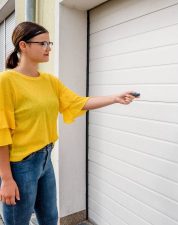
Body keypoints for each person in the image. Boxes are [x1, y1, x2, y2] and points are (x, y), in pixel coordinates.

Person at [0, 21, 138, 225]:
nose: (48, 48)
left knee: (50, 219)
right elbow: (2, 131)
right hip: (21, 166)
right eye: (43, 43)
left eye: (50, 43)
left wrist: (114, 98)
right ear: (23, 45)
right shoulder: (6, 81)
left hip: (45, 159)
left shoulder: (49, 81)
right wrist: (6, 179)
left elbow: (77, 102)